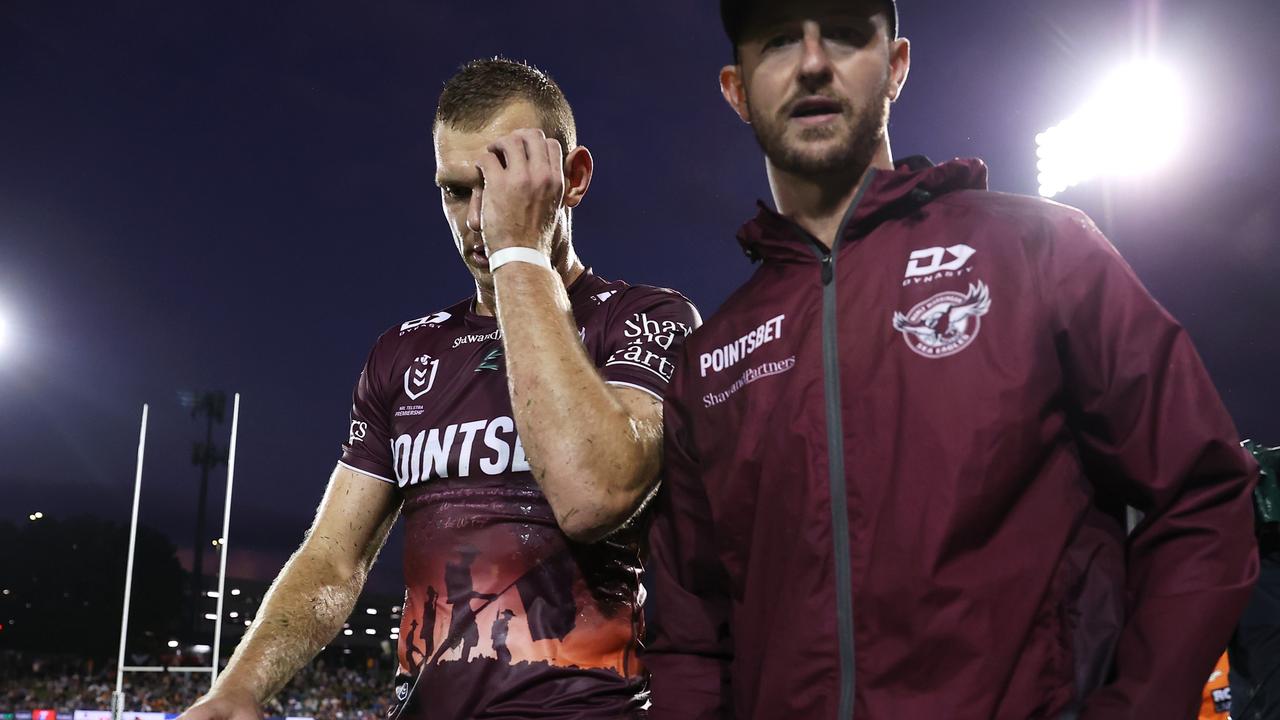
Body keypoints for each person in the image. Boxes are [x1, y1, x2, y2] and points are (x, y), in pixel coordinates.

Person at [643, 1, 1258, 718]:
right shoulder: (709, 358)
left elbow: (1202, 490)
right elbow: (691, 639)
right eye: (779, 40)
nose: (813, 61)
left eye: (843, 33)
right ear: (737, 90)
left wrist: (1136, 706)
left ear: (897, 66)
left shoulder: (1038, 251)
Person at [179, 57, 698, 720]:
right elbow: (335, 561)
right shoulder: (403, 352)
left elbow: (593, 495)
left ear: (572, 179)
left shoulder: (645, 319)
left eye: (499, 185)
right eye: (456, 190)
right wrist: (237, 692)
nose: (479, 218)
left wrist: (519, 254)